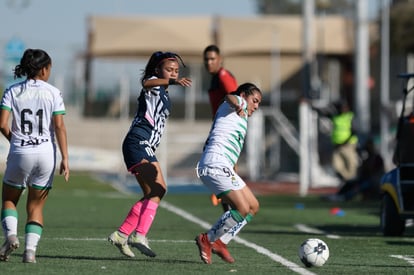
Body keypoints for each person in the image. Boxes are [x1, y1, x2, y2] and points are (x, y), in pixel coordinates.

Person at [108, 51, 192, 258]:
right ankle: (139, 235)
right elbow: (146, 82)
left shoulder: (162, 90)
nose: (173, 73)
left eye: (176, 70)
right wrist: (172, 81)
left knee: (153, 193)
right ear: (158, 70)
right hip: (138, 141)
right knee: (159, 188)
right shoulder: (154, 83)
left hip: (144, 145)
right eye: (169, 70)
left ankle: (122, 234)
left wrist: (170, 83)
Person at [0, 48, 70, 263]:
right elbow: (59, 126)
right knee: (36, 206)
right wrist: (65, 158)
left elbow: (2, 124)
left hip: (21, 151)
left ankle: (11, 235)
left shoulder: (12, 90)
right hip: (46, 154)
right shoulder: (53, 92)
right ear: (44, 69)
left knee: (9, 201)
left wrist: (18, 142)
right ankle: (30, 251)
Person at [195, 82, 262, 264]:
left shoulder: (241, 117)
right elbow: (228, 97)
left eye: (258, 103)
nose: (256, 106)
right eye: (254, 101)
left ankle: (221, 242)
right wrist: (239, 102)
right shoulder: (236, 104)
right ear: (243, 95)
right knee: (241, 208)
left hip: (223, 165)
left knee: (252, 206)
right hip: (215, 164)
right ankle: (207, 239)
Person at [203, 45, 238, 210]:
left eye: (212, 59)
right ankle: (229, 209)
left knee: (224, 170)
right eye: (206, 59)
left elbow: (235, 98)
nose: (209, 62)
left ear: (220, 59)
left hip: (226, 130)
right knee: (221, 169)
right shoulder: (215, 77)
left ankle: (234, 209)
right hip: (219, 128)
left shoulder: (223, 76)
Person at [313, 100, 360, 182]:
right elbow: (323, 114)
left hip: (348, 145)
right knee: (336, 164)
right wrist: (311, 105)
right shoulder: (336, 117)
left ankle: (352, 181)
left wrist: (345, 142)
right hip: (337, 145)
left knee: (351, 164)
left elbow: (354, 131)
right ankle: (347, 179)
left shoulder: (350, 117)